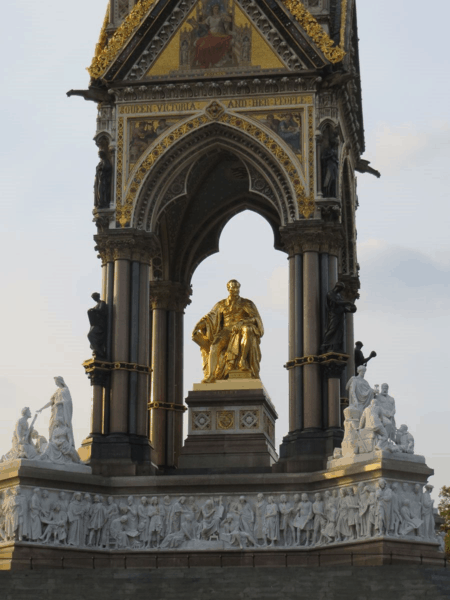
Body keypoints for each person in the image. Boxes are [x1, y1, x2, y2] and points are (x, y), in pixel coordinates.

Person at [192, 280, 264, 382]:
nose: (235, 290)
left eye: (237, 287)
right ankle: (211, 375)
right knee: (214, 347)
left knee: (247, 330)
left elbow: (256, 319)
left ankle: (242, 361)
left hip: (240, 330)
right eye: (233, 287)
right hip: (225, 331)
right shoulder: (221, 304)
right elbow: (209, 318)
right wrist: (197, 327)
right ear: (228, 289)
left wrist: (243, 322)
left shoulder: (247, 303)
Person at [37, 377, 75, 451]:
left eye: (56, 381)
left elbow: (68, 402)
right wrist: (41, 408)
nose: (55, 383)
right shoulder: (57, 391)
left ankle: (63, 445)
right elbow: (51, 402)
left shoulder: (65, 390)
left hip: (62, 412)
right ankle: (53, 444)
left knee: (62, 426)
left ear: (60, 381)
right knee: (52, 427)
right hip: (55, 411)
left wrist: (59, 403)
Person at [320, 282, 356, 354]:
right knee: (332, 329)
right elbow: (336, 302)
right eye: (340, 288)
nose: (340, 290)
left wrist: (350, 309)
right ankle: (324, 344)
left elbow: (342, 305)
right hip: (334, 314)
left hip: (340, 314)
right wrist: (348, 303)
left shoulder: (339, 295)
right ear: (337, 287)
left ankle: (336, 347)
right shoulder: (331, 293)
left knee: (340, 331)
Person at [87, 292, 108, 359]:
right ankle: (97, 350)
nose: (94, 299)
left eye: (95, 297)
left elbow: (101, 310)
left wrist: (94, 310)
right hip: (96, 323)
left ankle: (99, 351)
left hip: (100, 324)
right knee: (90, 335)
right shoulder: (96, 306)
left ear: (98, 297)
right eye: (93, 298)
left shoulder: (102, 303)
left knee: (90, 335)